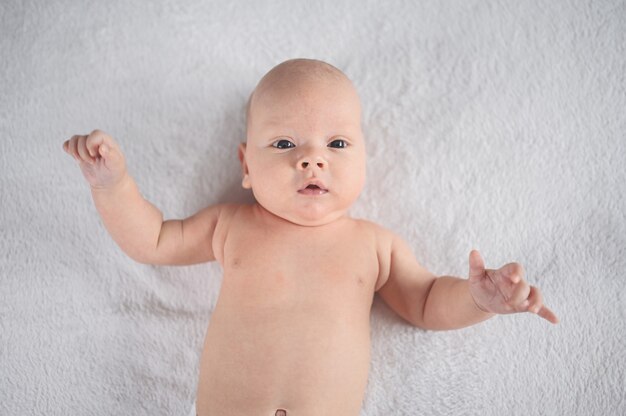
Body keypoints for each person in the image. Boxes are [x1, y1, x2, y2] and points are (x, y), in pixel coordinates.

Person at [63, 58, 558, 416]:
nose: (312, 159)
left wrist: (478, 300)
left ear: (364, 158)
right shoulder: (229, 226)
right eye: (284, 143)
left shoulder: (374, 245)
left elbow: (427, 301)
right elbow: (150, 240)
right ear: (246, 166)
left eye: (337, 143)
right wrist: (114, 186)